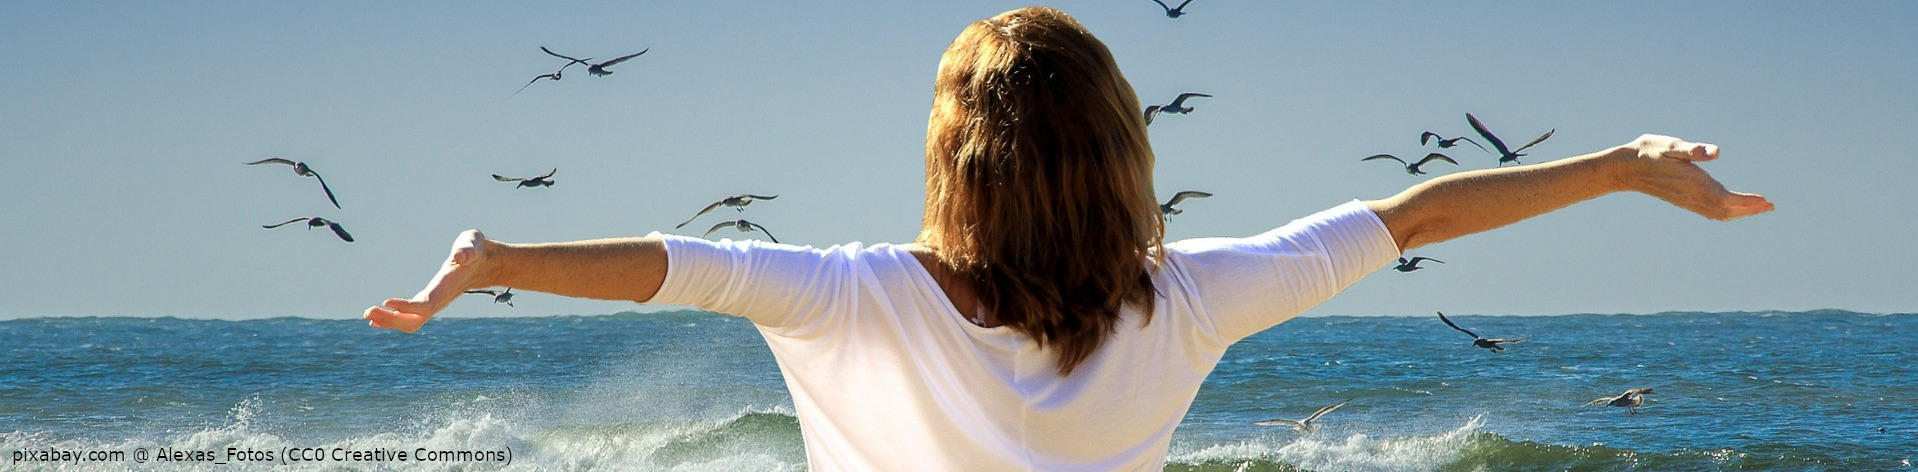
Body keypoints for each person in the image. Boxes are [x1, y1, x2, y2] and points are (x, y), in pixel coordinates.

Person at [363, 6, 1771, 471]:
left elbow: (677, 264)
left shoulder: (848, 299)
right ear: (1126, 153)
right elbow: (1417, 214)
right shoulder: (1195, 298)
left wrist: (494, 260)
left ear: (946, 159)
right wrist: (1623, 172)